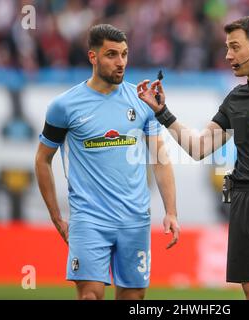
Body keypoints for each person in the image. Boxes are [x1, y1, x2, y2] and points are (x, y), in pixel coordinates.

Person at [138, 16, 249, 300]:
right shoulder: (236, 98)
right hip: (245, 201)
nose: (228, 55)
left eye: (235, 47)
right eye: (226, 48)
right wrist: (163, 113)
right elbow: (198, 148)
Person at [35, 24, 180, 300]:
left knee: (134, 299)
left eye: (124, 54)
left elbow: (160, 158)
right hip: (89, 219)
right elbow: (42, 160)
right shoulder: (64, 106)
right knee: (90, 296)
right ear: (93, 57)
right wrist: (55, 215)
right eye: (112, 55)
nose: (121, 62)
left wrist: (171, 211)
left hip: (135, 219)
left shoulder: (141, 101)